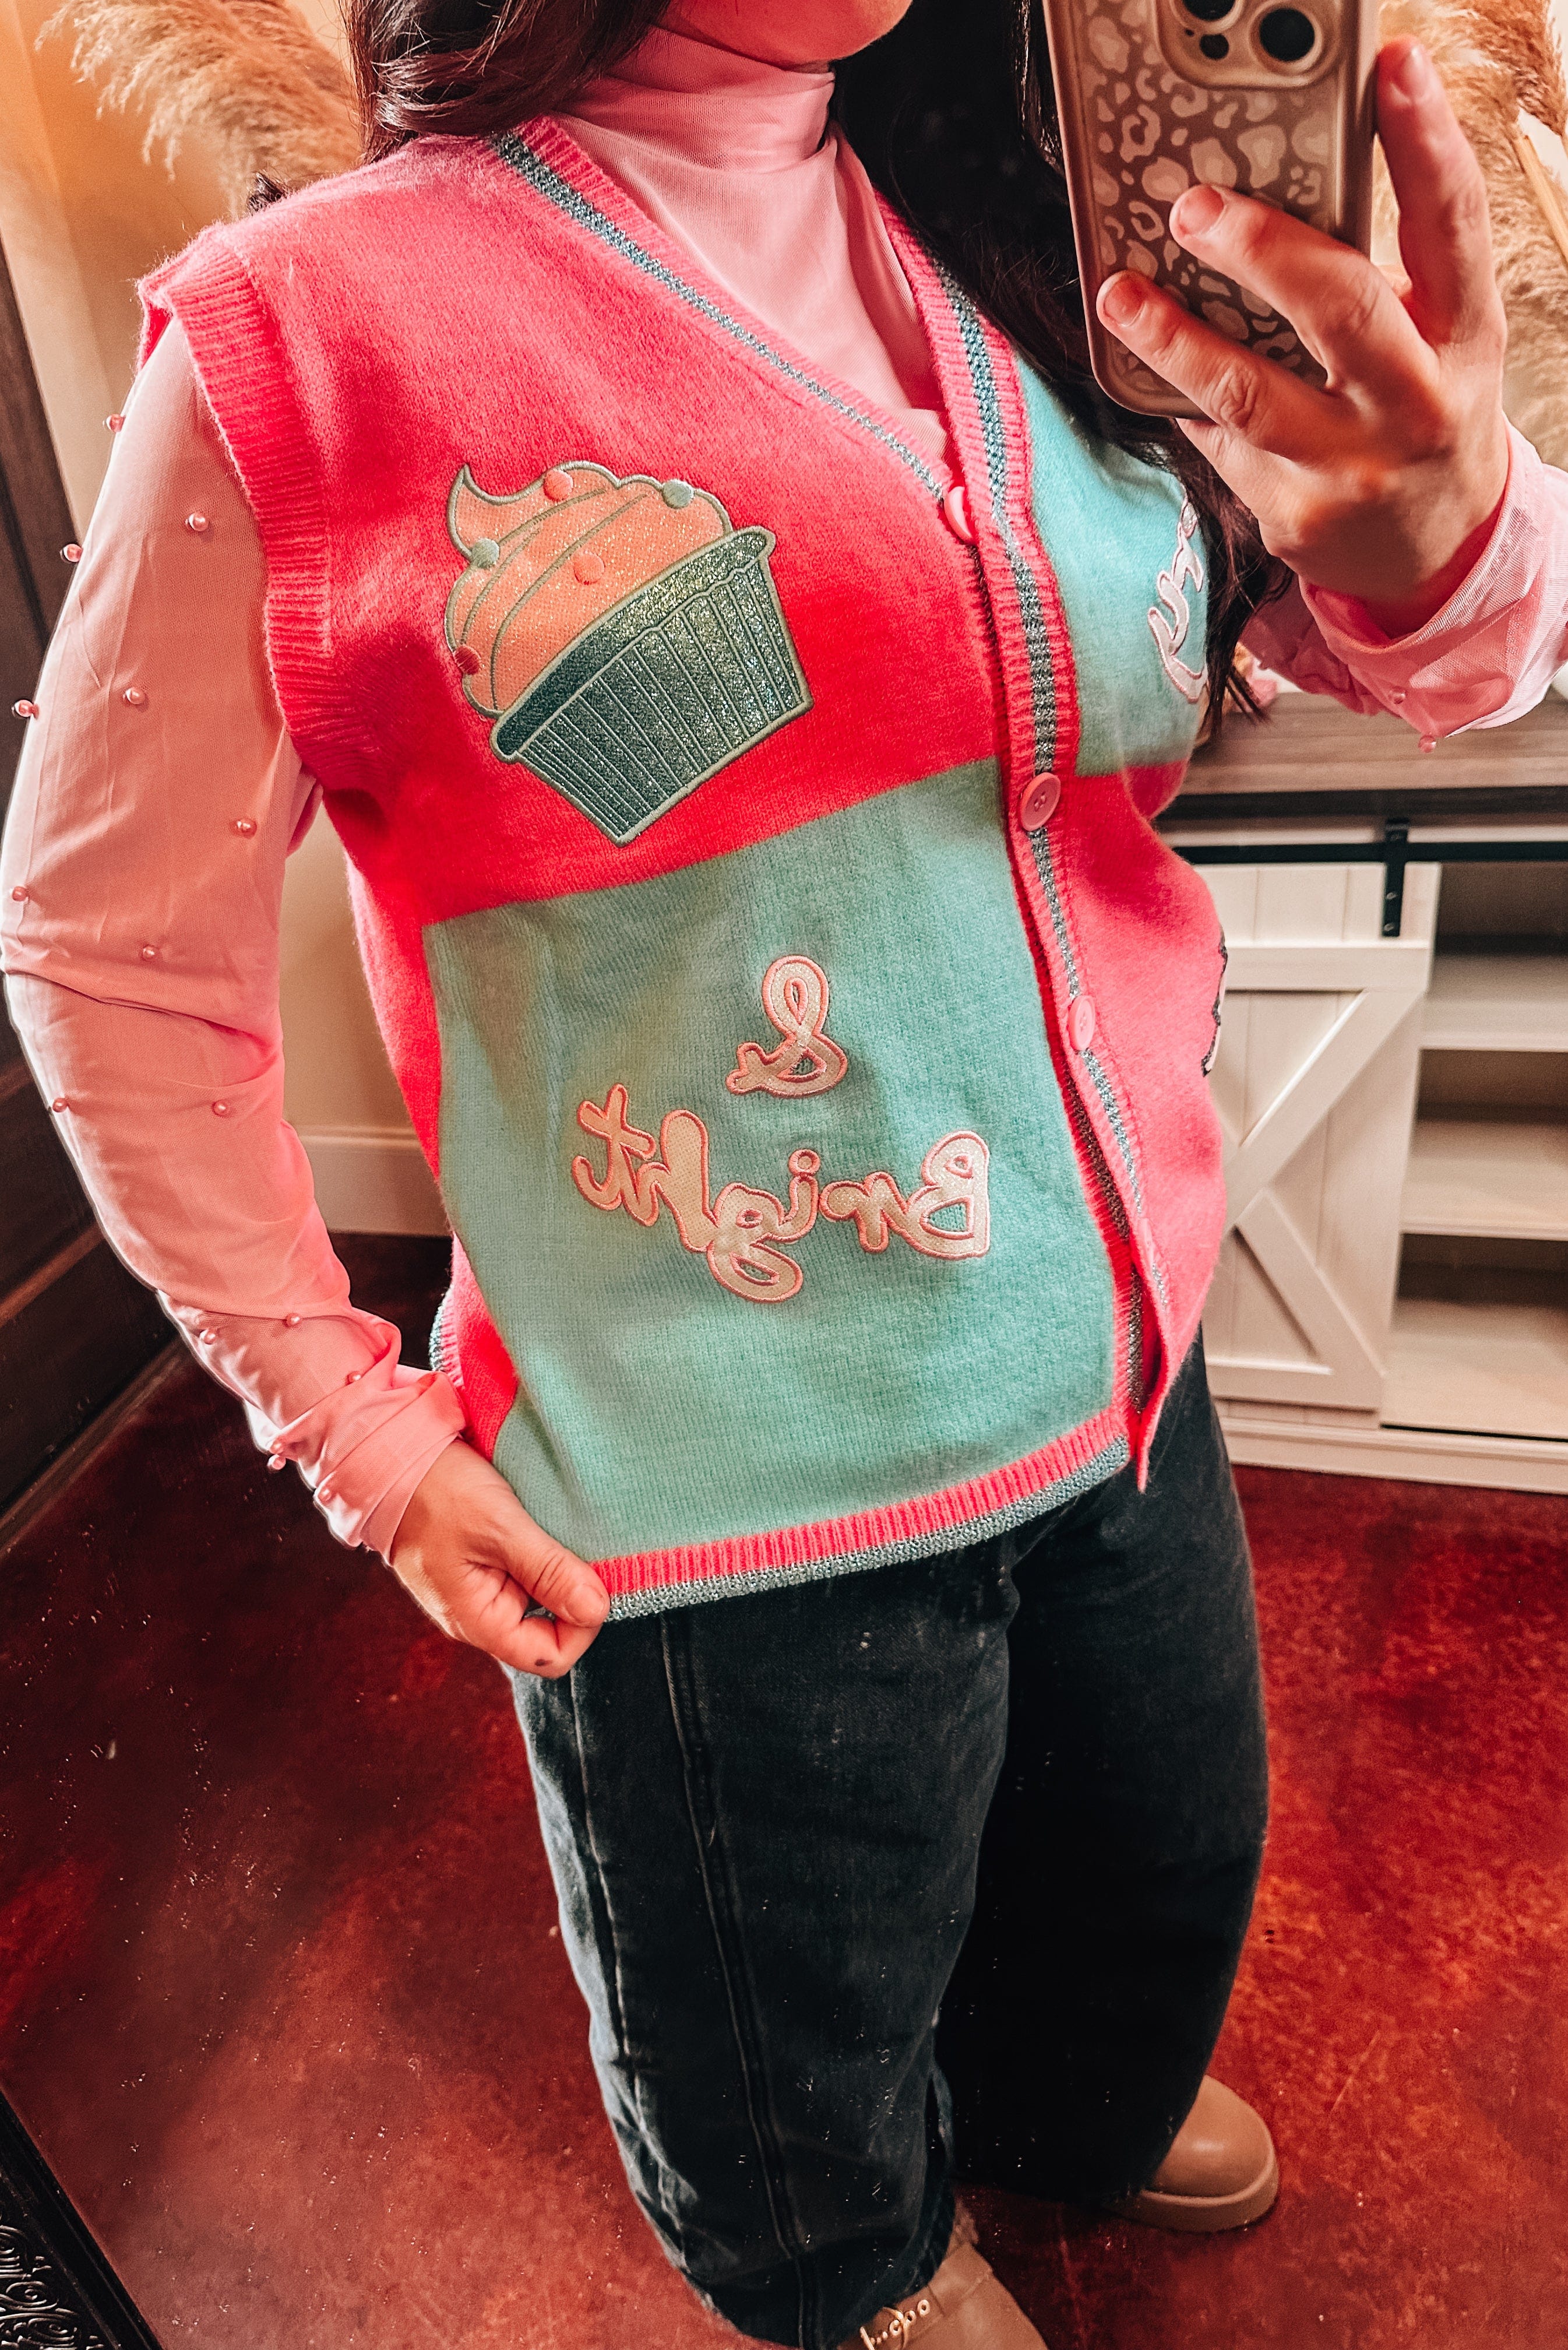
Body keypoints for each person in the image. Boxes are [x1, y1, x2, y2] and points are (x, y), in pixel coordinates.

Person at [4, 2, 1566, 2343]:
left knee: (1157, 1874)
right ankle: (859, 2271)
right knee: (780, 2041)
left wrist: (1441, 532)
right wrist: (347, 1427)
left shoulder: (1041, 233)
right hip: (721, 1494)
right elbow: (112, 948)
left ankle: (1059, 2121)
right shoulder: (302, 329)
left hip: (1125, 1366)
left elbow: (1428, 663)